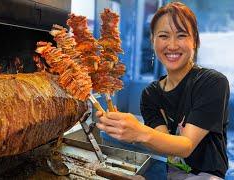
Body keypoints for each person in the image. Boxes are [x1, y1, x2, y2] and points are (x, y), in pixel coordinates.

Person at [96, 2, 230, 179]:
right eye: (164, 36)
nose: (172, 45)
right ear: (152, 41)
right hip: (173, 173)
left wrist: (138, 132)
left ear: (195, 41)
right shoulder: (150, 95)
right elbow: (165, 144)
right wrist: (125, 131)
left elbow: (185, 146)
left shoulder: (212, 83)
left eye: (181, 35)